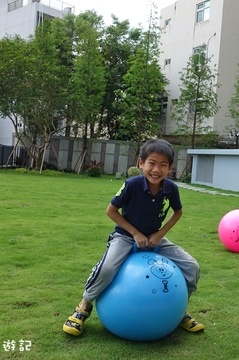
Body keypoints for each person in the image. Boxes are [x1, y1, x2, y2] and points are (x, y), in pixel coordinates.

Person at [63, 139, 204, 336]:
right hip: (125, 237)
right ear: (141, 163)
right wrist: (135, 233)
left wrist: (159, 234)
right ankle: (83, 307)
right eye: (151, 163)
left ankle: (179, 312)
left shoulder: (171, 188)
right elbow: (111, 211)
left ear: (170, 168)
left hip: (155, 239)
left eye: (163, 165)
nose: (156, 169)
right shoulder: (132, 184)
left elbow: (178, 212)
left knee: (192, 267)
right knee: (108, 268)